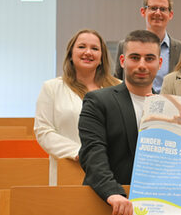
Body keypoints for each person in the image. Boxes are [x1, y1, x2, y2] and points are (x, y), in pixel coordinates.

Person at [79, 30, 162, 215]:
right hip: (110, 207)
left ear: (159, 63)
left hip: (160, 210)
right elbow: (93, 153)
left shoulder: (171, 108)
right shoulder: (98, 101)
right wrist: (114, 194)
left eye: (149, 58)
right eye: (135, 57)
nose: (142, 64)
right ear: (123, 61)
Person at [34, 29, 120, 186]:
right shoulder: (51, 88)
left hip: (112, 172)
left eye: (95, 48)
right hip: (69, 169)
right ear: (70, 55)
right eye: (81, 47)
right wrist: (80, 153)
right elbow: (43, 131)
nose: (88, 52)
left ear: (101, 58)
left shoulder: (119, 88)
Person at [114, 0, 181, 93]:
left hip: (169, 107)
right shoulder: (124, 45)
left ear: (170, 14)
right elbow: (117, 81)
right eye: (153, 8)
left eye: (163, 9)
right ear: (143, 12)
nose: (158, 13)